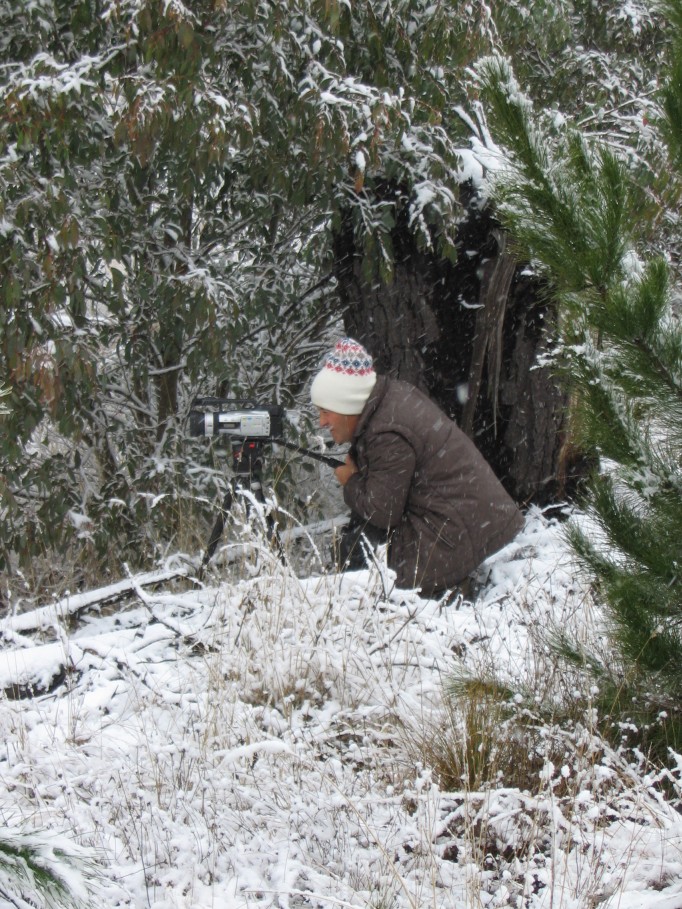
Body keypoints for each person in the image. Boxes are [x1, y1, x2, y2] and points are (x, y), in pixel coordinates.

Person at [310, 338, 524, 597]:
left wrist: (351, 481)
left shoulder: (386, 433)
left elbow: (383, 512)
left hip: (452, 536)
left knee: (361, 561)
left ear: (346, 405)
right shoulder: (388, 402)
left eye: (325, 411)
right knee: (360, 539)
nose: (321, 422)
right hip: (468, 524)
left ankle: (440, 591)